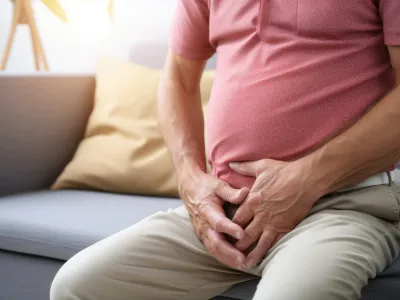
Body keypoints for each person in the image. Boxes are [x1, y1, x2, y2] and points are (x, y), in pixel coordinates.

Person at [50, 1, 400, 299]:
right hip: (222, 213)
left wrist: (307, 179)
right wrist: (190, 180)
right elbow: (177, 77)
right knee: (77, 286)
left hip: (340, 208)